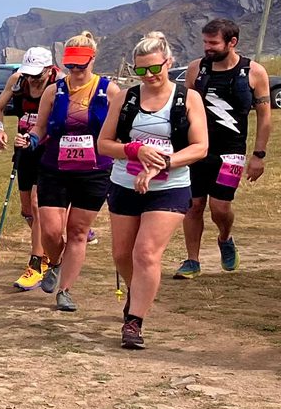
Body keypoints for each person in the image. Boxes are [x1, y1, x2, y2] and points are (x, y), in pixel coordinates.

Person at [99, 33, 208, 350]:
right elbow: (104, 144)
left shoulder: (187, 98)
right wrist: (134, 150)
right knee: (122, 254)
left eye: (155, 68)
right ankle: (138, 294)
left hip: (169, 187)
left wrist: (163, 162)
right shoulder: (126, 98)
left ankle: (134, 322)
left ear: (169, 63)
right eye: (141, 70)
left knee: (145, 252)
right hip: (125, 183)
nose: (149, 76)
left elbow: (200, 147)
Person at [27, 32, 122, 313]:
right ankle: (54, 262)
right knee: (52, 231)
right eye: (71, 65)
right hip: (55, 168)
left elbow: (118, 129)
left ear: (92, 60)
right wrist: (29, 138)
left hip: (94, 171)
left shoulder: (110, 90)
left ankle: (65, 291)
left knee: (78, 232)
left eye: (81, 65)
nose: (76, 71)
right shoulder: (53, 91)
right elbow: (40, 127)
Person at [177, 18, 271, 278]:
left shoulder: (254, 72)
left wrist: (258, 155)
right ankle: (192, 260)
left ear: (232, 42)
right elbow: (184, 110)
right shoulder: (197, 69)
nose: (207, 47)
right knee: (194, 205)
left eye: (213, 43)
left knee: (220, 207)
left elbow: (264, 117)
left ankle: (225, 238)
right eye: (205, 42)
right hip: (198, 148)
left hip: (232, 151)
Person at [0, 47, 57, 290]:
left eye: (37, 75)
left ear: (49, 69)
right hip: (24, 150)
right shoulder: (17, 80)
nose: (32, 80)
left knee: (39, 206)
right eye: (29, 74)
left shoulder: (59, 83)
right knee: (28, 211)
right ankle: (53, 245)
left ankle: (37, 264)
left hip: (50, 151)